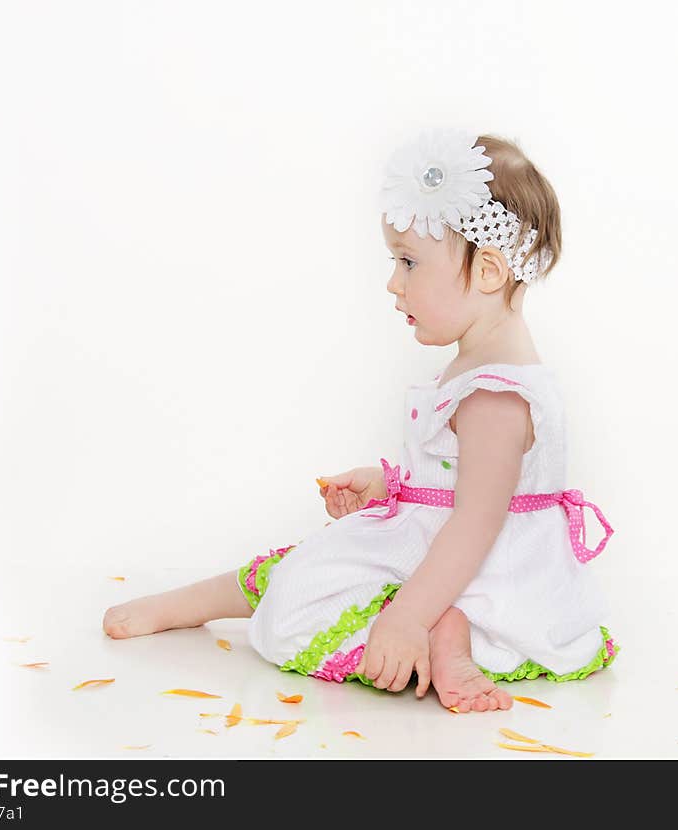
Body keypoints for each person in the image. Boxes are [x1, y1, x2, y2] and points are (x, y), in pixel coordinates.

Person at [103, 128, 619, 714]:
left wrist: (406, 616)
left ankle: (441, 631)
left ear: (489, 271)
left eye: (408, 262)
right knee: (309, 567)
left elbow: (476, 526)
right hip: (447, 551)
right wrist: (390, 486)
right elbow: (462, 485)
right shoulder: (481, 368)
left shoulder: (495, 398)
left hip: (477, 574)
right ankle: (190, 605)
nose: (394, 284)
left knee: (304, 591)